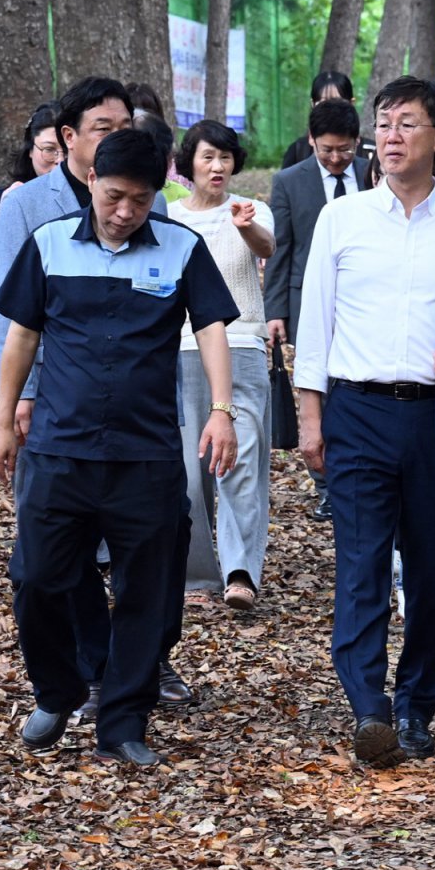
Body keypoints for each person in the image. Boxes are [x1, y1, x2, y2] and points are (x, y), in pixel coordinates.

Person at [0, 129, 240, 769]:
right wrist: (2, 422)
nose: (125, 211)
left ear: (158, 195)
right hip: (58, 450)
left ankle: (124, 721)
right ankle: (58, 690)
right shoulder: (48, 244)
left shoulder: (182, 247)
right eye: (114, 196)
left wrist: (221, 410)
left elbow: (212, 327)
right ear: (92, 181)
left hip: (145, 455)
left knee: (148, 592)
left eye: (141, 200)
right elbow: (21, 337)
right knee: (36, 577)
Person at [294, 75, 435, 769]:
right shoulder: (343, 219)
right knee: (360, 564)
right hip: (357, 410)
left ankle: (417, 705)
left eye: (407, 123)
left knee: (430, 569)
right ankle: (369, 707)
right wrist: (310, 417)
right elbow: (315, 322)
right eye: (383, 123)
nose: (390, 136)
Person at [168, 120, 276, 611]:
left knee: (242, 459)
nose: (218, 166)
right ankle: (196, 575)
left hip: (242, 348)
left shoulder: (250, 209)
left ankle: (240, 572)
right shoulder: (168, 218)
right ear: (189, 163)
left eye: (226, 157)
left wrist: (245, 225)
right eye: (208, 157)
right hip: (181, 350)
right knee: (189, 470)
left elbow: (266, 247)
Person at [264, 98, 372, 522]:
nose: (336, 158)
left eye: (344, 149)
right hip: (307, 299)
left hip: (363, 300)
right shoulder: (290, 181)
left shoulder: (373, 173)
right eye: (327, 149)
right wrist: (276, 310)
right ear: (311, 140)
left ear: (357, 142)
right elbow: (280, 249)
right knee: (317, 388)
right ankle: (326, 484)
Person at [0, 101, 62, 274]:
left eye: (67, 150)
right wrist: (7, 204)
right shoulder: (14, 195)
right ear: (30, 150)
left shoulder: (95, 194)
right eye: (49, 149)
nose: (60, 160)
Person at [280, 71, 366, 168]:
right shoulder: (298, 150)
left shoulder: (369, 151)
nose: (335, 159)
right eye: (323, 102)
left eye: (337, 101)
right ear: (313, 104)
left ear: (351, 103)